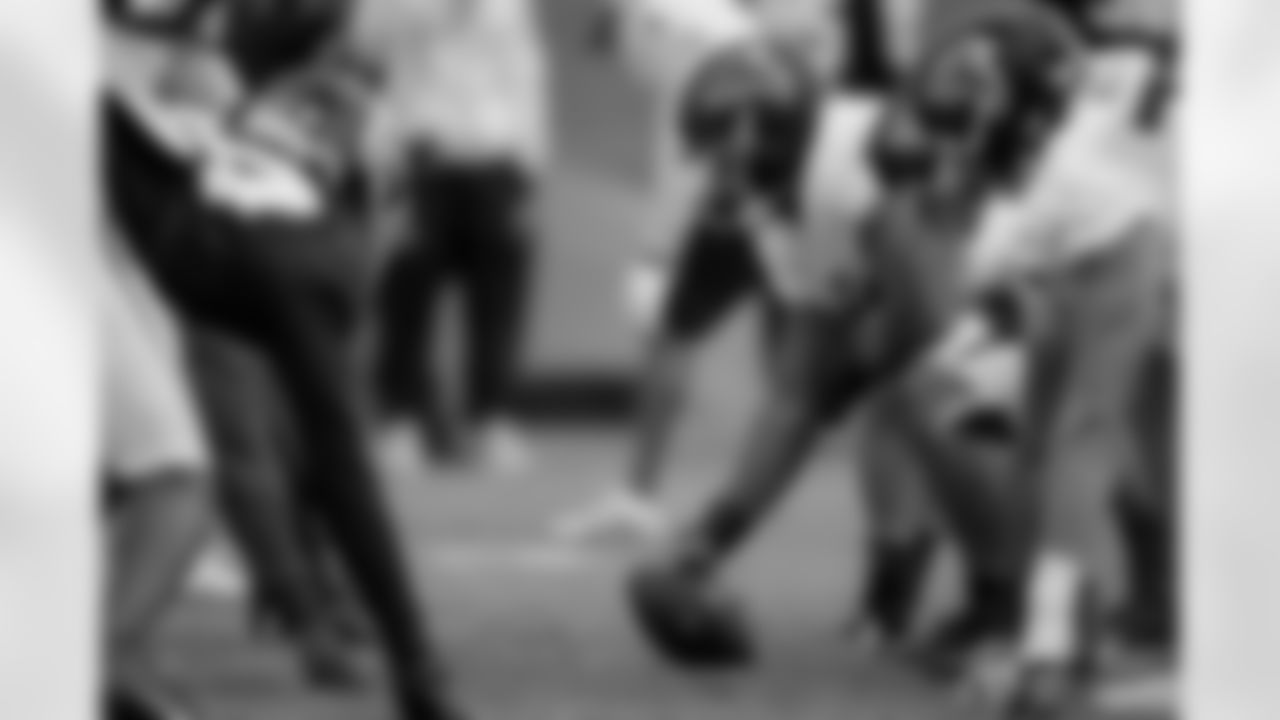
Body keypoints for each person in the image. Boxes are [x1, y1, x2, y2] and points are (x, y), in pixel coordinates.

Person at [104, 2, 465, 718]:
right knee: (191, 472)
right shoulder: (313, 242)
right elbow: (344, 467)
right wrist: (414, 653)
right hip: (159, 218)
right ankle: (122, 655)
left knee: (184, 469)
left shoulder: (232, 120)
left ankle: (130, 653)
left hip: (151, 220)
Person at [555, 0, 858, 547]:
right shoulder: (681, 18)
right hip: (791, 166)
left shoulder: (653, 20)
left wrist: (656, 248)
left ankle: (646, 498)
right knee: (800, 351)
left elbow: (698, 128)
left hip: (769, 174)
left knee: (690, 333)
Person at [364, 0, 550, 474]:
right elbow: (369, 44)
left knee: (497, 300)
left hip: (493, 157)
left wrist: (530, 162)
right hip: (420, 157)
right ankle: (400, 421)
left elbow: (527, 75)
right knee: (408, 295)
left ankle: (491, 419)